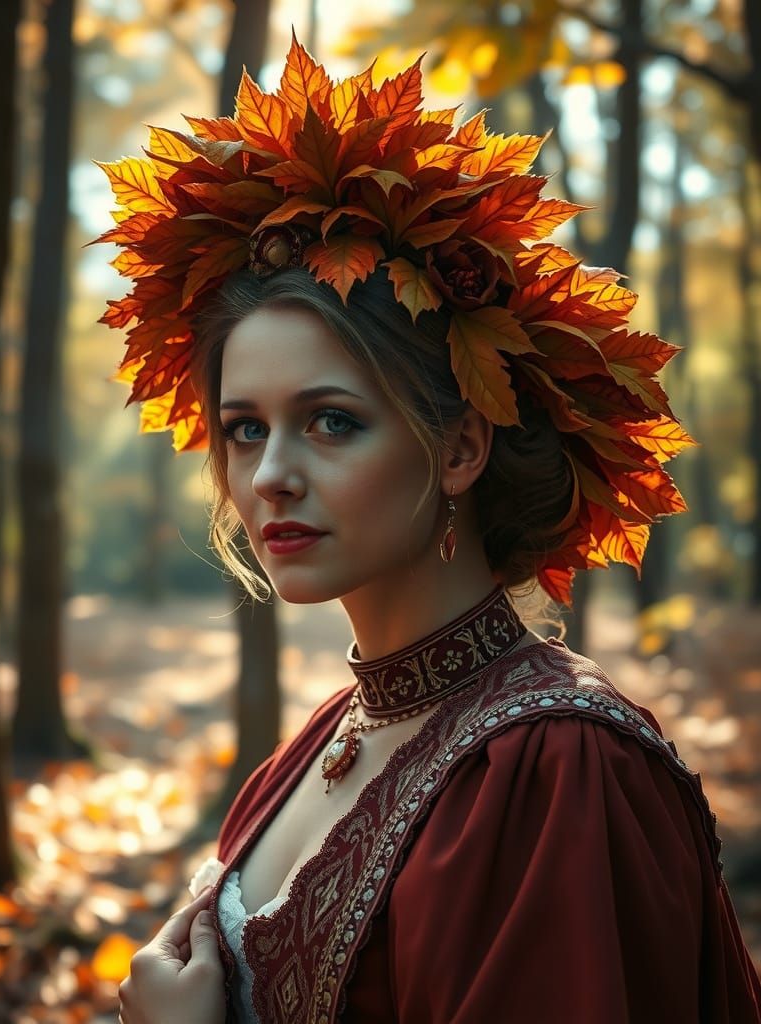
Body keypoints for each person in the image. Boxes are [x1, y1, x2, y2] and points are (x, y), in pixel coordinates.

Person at [103, 33, 761, 1024]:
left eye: (332, 421)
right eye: (246, 428)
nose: (272, 474)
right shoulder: (332, 733)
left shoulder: (556, 772)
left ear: (459, 448)